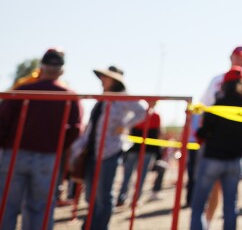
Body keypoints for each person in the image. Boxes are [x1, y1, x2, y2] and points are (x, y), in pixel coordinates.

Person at [0, 49, 82, 230]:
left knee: (6, 205)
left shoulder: (21, 91)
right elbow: (75, 130)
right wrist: (58, 147)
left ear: (41, 67)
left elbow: (3, 122)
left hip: (14, 155)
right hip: (47, 157)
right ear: (61, 70)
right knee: (40, 208)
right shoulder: (69, 96)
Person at [68, 66, 146, 230]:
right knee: (91, 195)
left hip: (110, 151)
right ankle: (90, 224)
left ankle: (99, 226)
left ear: (115, 80)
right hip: (92, 151)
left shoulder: (124, 98)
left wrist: (124, 125)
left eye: (106, 77)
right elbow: (91, 128)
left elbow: (142, 111)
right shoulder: (101, 100)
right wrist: (77, 149)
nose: (102, 80)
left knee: (104, 194)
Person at [190, 69, 242, 230]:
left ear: (225, 85)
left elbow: (203, 132)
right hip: (235, 161)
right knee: (230, 207)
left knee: (198, 205)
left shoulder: (218, 105)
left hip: (212, 159)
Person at [116, 110, 161, 207]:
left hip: (145, 149)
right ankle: (124, 197)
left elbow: (157, 132)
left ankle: (133, 198)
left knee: (139, 174)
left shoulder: (149, 115)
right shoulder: (139, 113)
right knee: (130, 173)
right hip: (136, 148)